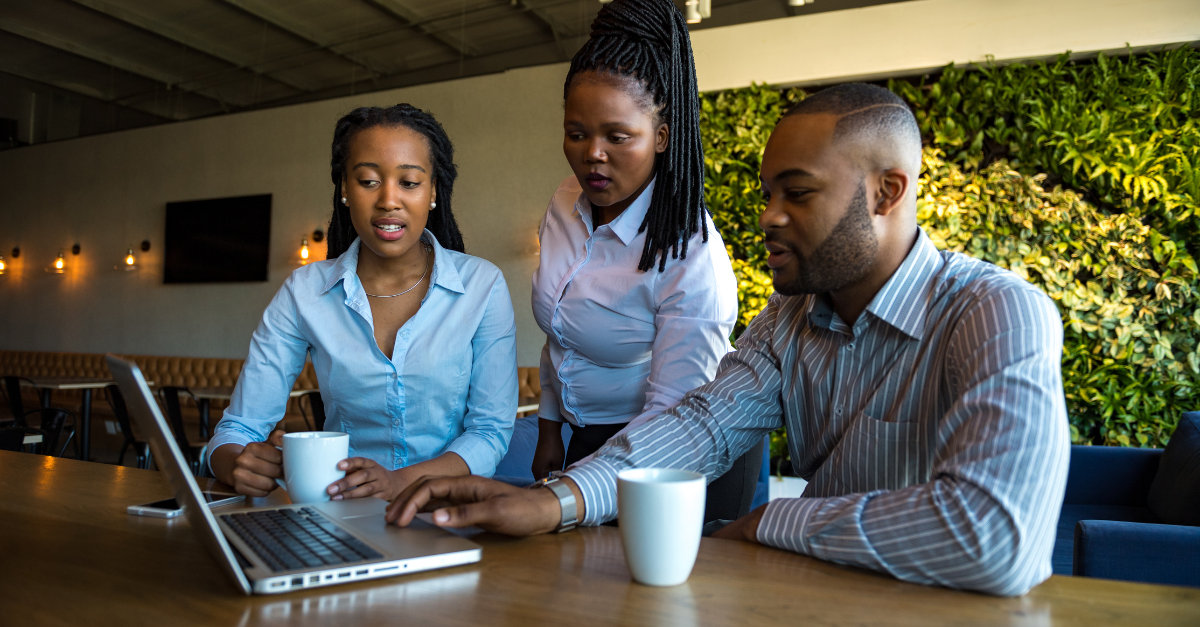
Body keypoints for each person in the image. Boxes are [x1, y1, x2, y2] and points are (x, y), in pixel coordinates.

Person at [384, 84, 1071, 597]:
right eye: (768, 192)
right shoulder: (790, 317)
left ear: (887, 192)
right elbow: (699, 427)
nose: (769, 217)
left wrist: (776, 520)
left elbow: (995, 536)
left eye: (797, 194)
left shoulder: (999, 311)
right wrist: (552, 499)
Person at [209, 104, 518, 503]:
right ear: (343, 189)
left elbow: (490, 433)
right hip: (340, 509)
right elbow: (237, 430)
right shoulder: (304, 292)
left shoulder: (482, 284)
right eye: (368, 181)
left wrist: (399, 482)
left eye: (409, 182)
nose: (389, 200)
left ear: (434, 191)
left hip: (449, 509)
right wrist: (237, 464)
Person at [526, 0, 748, 519]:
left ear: (662, 137)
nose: (592, 154)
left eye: (617, 136)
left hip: (676, 457)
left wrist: (571, 494)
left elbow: (675, 420)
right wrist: (549, 428)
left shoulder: (690, 257)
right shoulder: (564, 203)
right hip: (584, 442)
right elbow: (560, 336)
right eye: (576, 133)